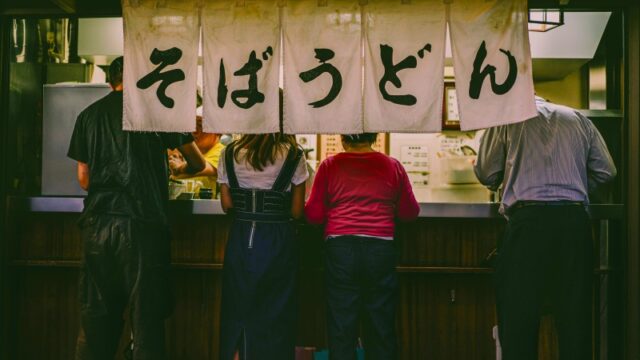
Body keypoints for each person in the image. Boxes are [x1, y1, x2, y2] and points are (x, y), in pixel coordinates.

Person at [67, 56, 210, 360]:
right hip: (143, 225)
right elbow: (198, 163)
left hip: (97, 227)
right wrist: (178, 170)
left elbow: (83, 179)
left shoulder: (88, 115)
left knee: (96, 320)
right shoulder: (157, 113)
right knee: (146, 321)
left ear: (111, 81)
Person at [474, 96, 617, 360]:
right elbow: (607, 171)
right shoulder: (577, 119)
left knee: (519, 320)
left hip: (528, 224)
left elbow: (486, 173)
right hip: (574, 224)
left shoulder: (507, 117)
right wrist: (578, 187)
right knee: (575, 319)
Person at [305, 133, 420, 360]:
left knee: (341, 326)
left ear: (343, 137)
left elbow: (314, 215)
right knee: (381, 325)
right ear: (375, 136)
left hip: (341, 249)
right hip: (380, 248)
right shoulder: (392, 166)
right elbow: (409, 213)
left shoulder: (330, 165)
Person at [217, 132, 309, 360]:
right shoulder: (294, 155)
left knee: (237, 309)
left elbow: (227, 205)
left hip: (241, 236)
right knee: (276, 312)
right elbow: (297, 211)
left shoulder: (229, 153)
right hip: (278, 240)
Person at [169, 115, 225, 196]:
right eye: (192, 125)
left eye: (200, 125)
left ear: (217, 131)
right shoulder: (185, 154)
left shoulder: (222, 152)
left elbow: (200, 168)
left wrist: (179, 168)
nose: (194, 131)